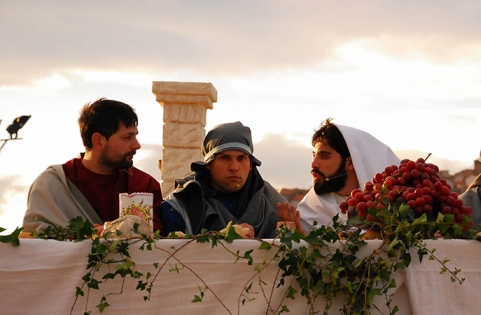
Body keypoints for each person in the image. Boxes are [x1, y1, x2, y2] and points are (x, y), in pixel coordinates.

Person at [22, 98, 163, 235]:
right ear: (98, 141)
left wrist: (118, 231)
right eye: (127, 137)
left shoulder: (143, 185)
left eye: (135, 136)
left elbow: (158, 237)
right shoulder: (52, 184)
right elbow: (33, 239)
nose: (136, 145)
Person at [160, 121, 286, 238]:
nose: (234, 167)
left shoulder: (273, 202)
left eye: (241, 158)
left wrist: (290, 230)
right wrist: (220, 239)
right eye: (225, 158)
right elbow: (170, 254)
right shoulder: (181, 205)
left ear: (250, 165)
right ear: (209, 164)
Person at [279, 119, 400, 233]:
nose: (313, 164)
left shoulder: (389, 209)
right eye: (314, 155)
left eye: (324, 156)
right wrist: (298, 238)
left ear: (350, 162)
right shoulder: (311, 210)